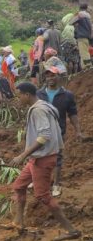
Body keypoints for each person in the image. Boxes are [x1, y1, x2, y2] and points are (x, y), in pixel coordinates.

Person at [6, 82, 81, 241]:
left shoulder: (38, 110)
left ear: (27, 95)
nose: (18, 98)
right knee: (19, 187)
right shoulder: (43, 106)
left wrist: (22, 155)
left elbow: (44, 136)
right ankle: (18, 222)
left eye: (19, 94)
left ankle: (71, 230)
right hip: (38, 158)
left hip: (43, 158)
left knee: (43, 196)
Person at [36, 66, 85, 197]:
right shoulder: (39, 94)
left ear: (59, 77)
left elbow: (72, 114)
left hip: (59, 132)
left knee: (57, 158)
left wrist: (78, 131)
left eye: (53, 75)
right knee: (39, 156)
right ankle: (40, 181)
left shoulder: (67, 95)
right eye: (48, 76)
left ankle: (56, 184)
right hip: (41, 131)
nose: (50, 78)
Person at [68, 3, 92, 69]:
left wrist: (75, 22)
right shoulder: (88, 16)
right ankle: (85, 67)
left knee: (83, 53)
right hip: (87, 37)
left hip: (81, 37)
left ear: (80, 8)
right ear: (86, 8)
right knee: (85, 52)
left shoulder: (79, 14)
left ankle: (87, 67)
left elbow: (70, 22)